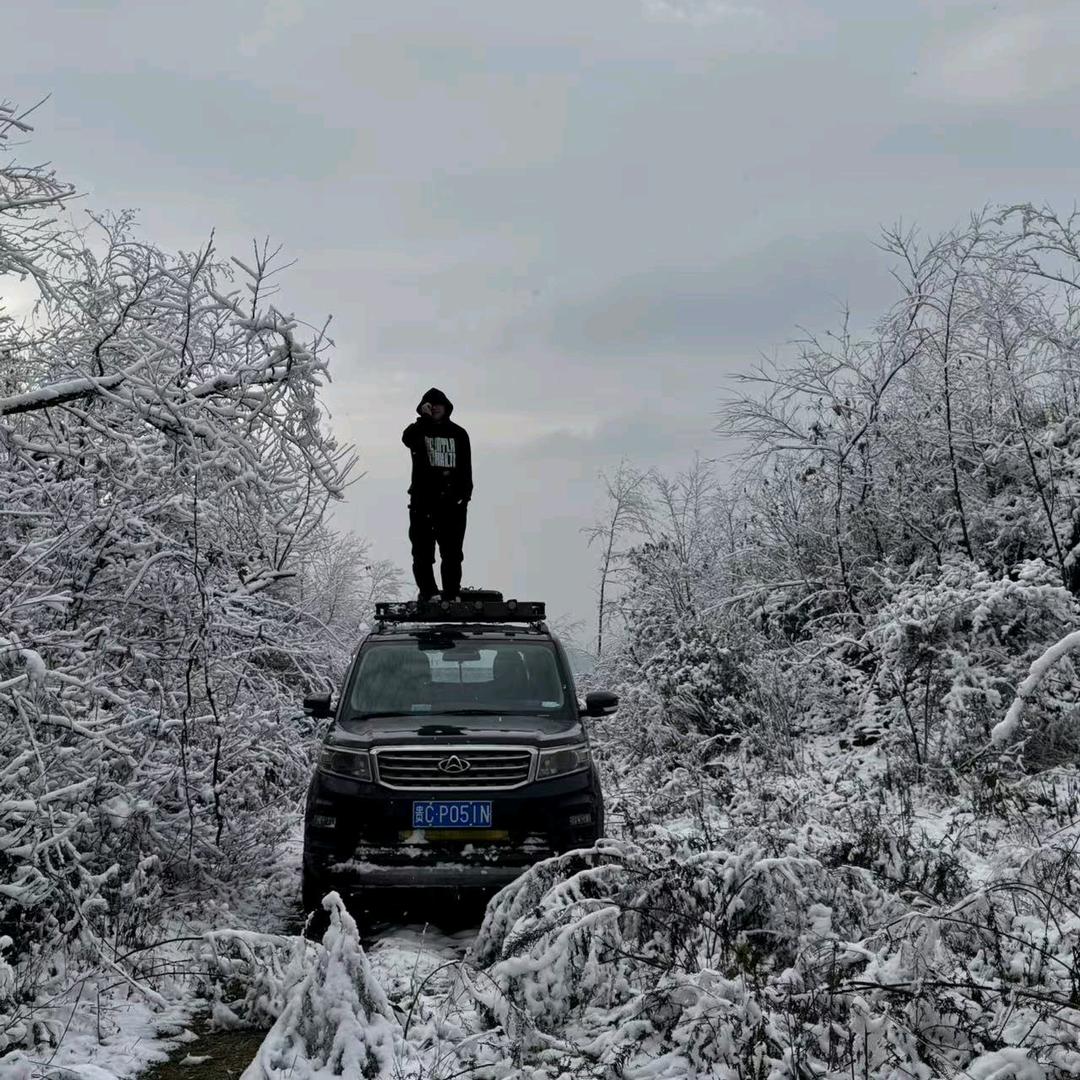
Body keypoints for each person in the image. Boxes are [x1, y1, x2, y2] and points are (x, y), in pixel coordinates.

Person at [401, 388, 472, 601]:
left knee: (452, 554)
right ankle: (429, 594)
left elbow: (466, 468)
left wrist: (463, 498)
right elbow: (407, 438)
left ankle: (451, 596)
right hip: (422, 504)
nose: (435, 409)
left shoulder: (458, 434)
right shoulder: (418, 432)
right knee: (422, 554)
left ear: (446, 407)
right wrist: (424, 419)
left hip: (452, 506)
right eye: (430, 406)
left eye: (438, 405)